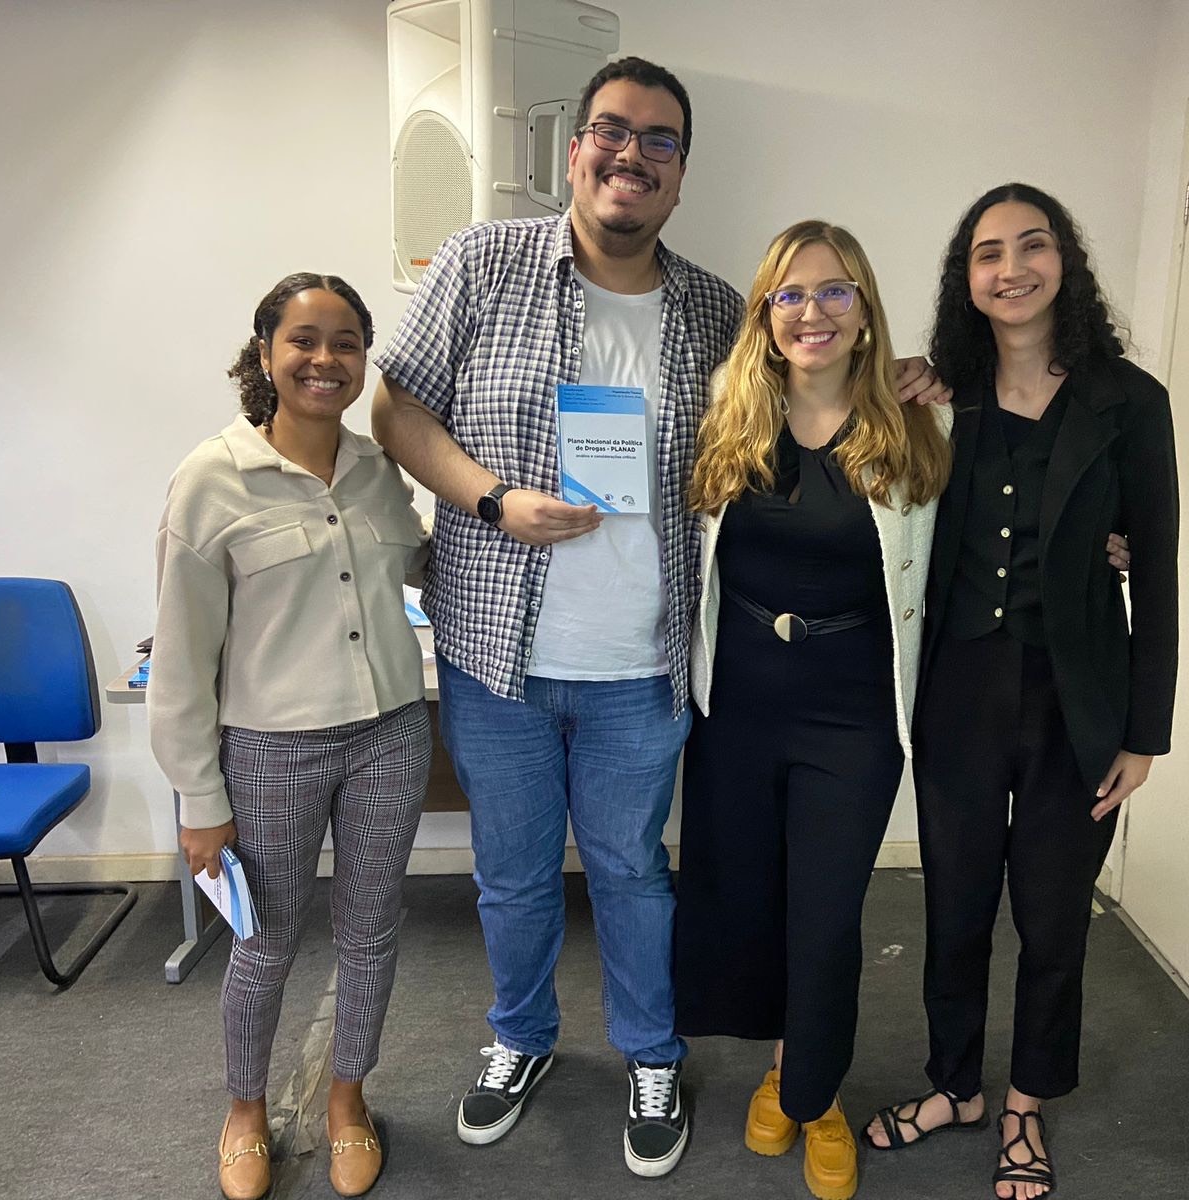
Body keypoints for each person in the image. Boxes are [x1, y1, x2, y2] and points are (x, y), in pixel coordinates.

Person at [370, 57, 938, 1178]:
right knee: (513, 876)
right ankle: (520, 1038)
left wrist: (912, 375)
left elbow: (810, 393)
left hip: (644, 663)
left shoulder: (718, 310)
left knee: (633, 874)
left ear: (680, 172)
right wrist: (490, 498)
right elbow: (395, 406)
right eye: (612, 131)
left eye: (659, 140)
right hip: (496, 651)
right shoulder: (484, 262)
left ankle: (650, 1054)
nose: (631, 154)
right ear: (575, 149)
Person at [865, 183, 1179, 1200]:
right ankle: (953, 1086)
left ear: (1064, 262)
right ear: (967, 279)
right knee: (954, 906)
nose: (1012, 268)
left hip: (1076, 706)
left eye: (1032, 245)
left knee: (1052, 920)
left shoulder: (1130, 402)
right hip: (957, 695)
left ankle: (1024, 1105)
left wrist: (1145, 734)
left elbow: (1157, 570)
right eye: (989, 252)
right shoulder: (935, 397)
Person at [674, 221, 952, 1200]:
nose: (811, 312)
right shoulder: (728, 417)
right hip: (739, 702)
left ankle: (817, 1094)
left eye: (835, 291)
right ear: (765, 314)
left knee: (827, 915)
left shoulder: (915, 430)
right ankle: (784, 1069)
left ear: (865, 310)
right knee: (753, 898)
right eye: (789, 294)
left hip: (852, 713)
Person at [149, 273, 431, 1200]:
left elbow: (424, 564)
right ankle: (244, 1110)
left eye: (346, 342)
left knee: (371, 932)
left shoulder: (377, 468)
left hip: (390, 734)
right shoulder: (211, 479)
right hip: (270, 749)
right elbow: (182, 660)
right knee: (264, 942)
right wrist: (200, 800)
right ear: (266, 352)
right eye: (304, 340)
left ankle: (348, 1099)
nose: (325, 359)